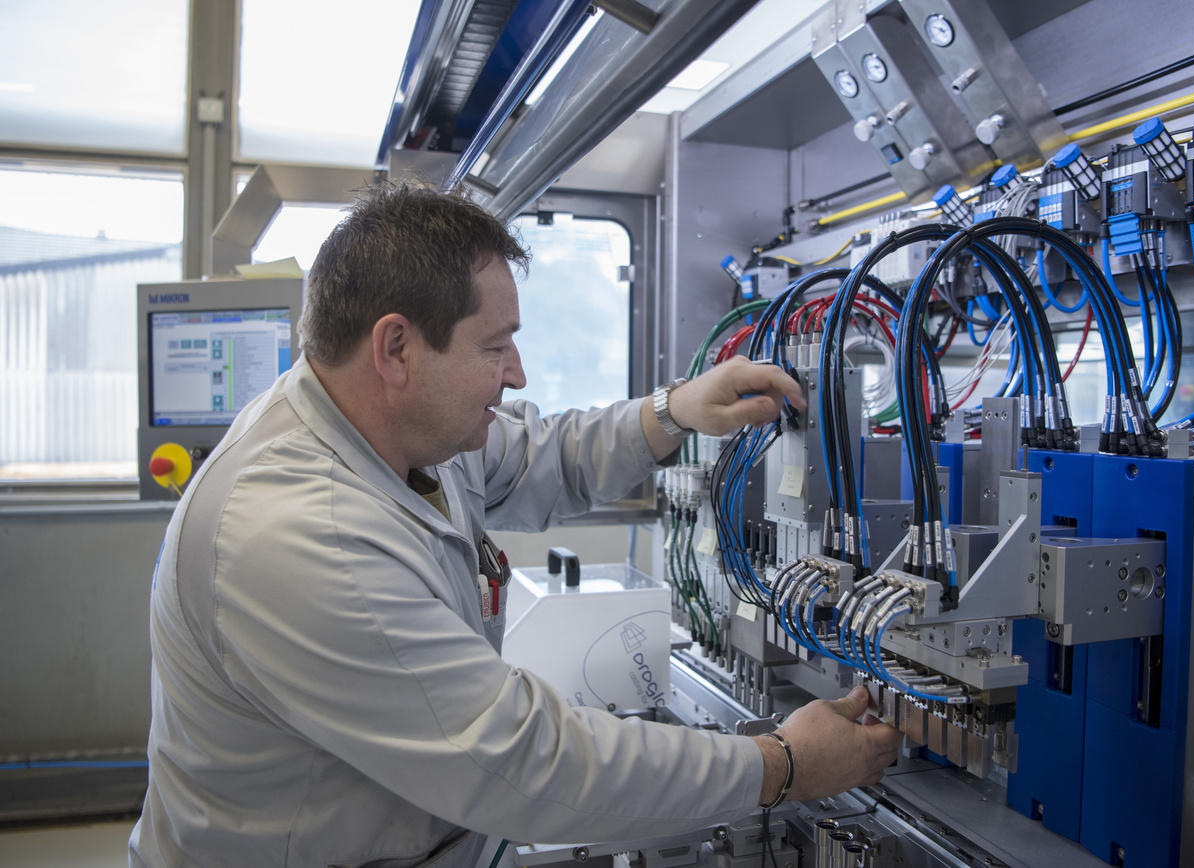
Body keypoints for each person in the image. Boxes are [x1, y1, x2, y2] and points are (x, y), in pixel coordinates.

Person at [128, 182, 903, 867]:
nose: (517, 373)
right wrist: (782, 766)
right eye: (494, 346)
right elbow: (524, 765)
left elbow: (547, 455)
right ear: (395, 348)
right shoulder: (299, 536)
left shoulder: (395, 428)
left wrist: (675, 411)